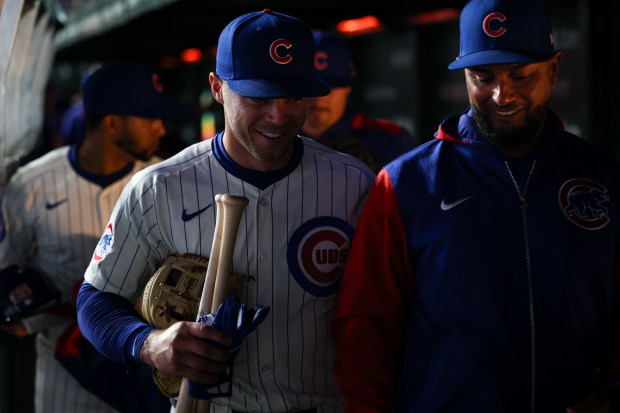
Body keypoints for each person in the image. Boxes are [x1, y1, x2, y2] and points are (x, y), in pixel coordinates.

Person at [77, 9, 375, 413]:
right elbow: (96, 298)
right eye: (258, 96)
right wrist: (149, 344)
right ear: (217, 88)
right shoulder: (159, 186)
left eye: (293, 96)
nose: (278, 115)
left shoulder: (355, 183)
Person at [331, 0, 620, 412]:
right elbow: (365, 326)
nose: (503, 94)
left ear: (554, 69)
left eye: (521, 75)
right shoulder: (406, 183)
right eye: (483, 77)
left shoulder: (603, 178)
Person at [0, 61, 185, 413]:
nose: (161, 128)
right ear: (112, 123)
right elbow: (7, 277)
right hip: (62, 375)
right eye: (149, 118)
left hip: (142, 374)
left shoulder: (167, 181)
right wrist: (47, 310)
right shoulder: (32, 183)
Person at [302, 30, 416, 173]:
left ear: (348, 87)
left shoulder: (389, 140)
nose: (319, 98)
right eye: (310, 87)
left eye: (331, 87)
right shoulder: (274, 141)